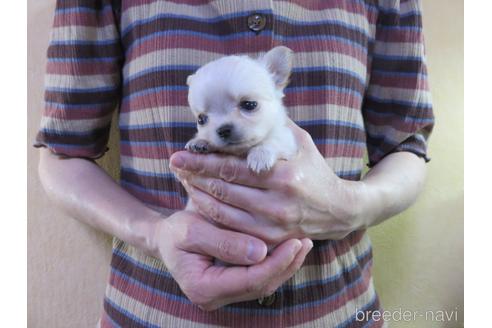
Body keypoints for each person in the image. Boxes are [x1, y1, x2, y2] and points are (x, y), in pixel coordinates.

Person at [35, 0, 434, 326]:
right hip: (159, 310)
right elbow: (63, 153)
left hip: (336, 307)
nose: (220, 129)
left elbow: (406, 145)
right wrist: (155, 234)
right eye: (205, 120)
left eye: (246, 106)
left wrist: (350, 206)